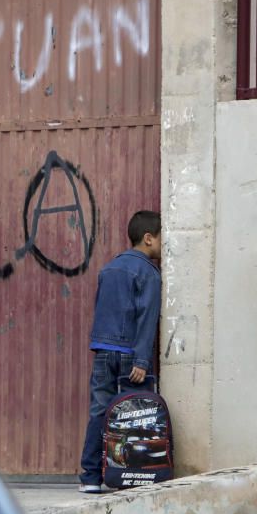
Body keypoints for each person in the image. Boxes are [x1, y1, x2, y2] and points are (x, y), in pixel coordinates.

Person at [79, 210, 162, 493]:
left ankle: (90, 478)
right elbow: (147, 318)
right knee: (134, 413)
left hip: (104, 351)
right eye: (163, 239)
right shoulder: (149, 273)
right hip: (130, 354)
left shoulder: (109, 268)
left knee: (99, 412)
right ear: (149, 238)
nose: (166, 246)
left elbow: (103, 310)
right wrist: (141, 359)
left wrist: (101, 344)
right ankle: (131, 473)